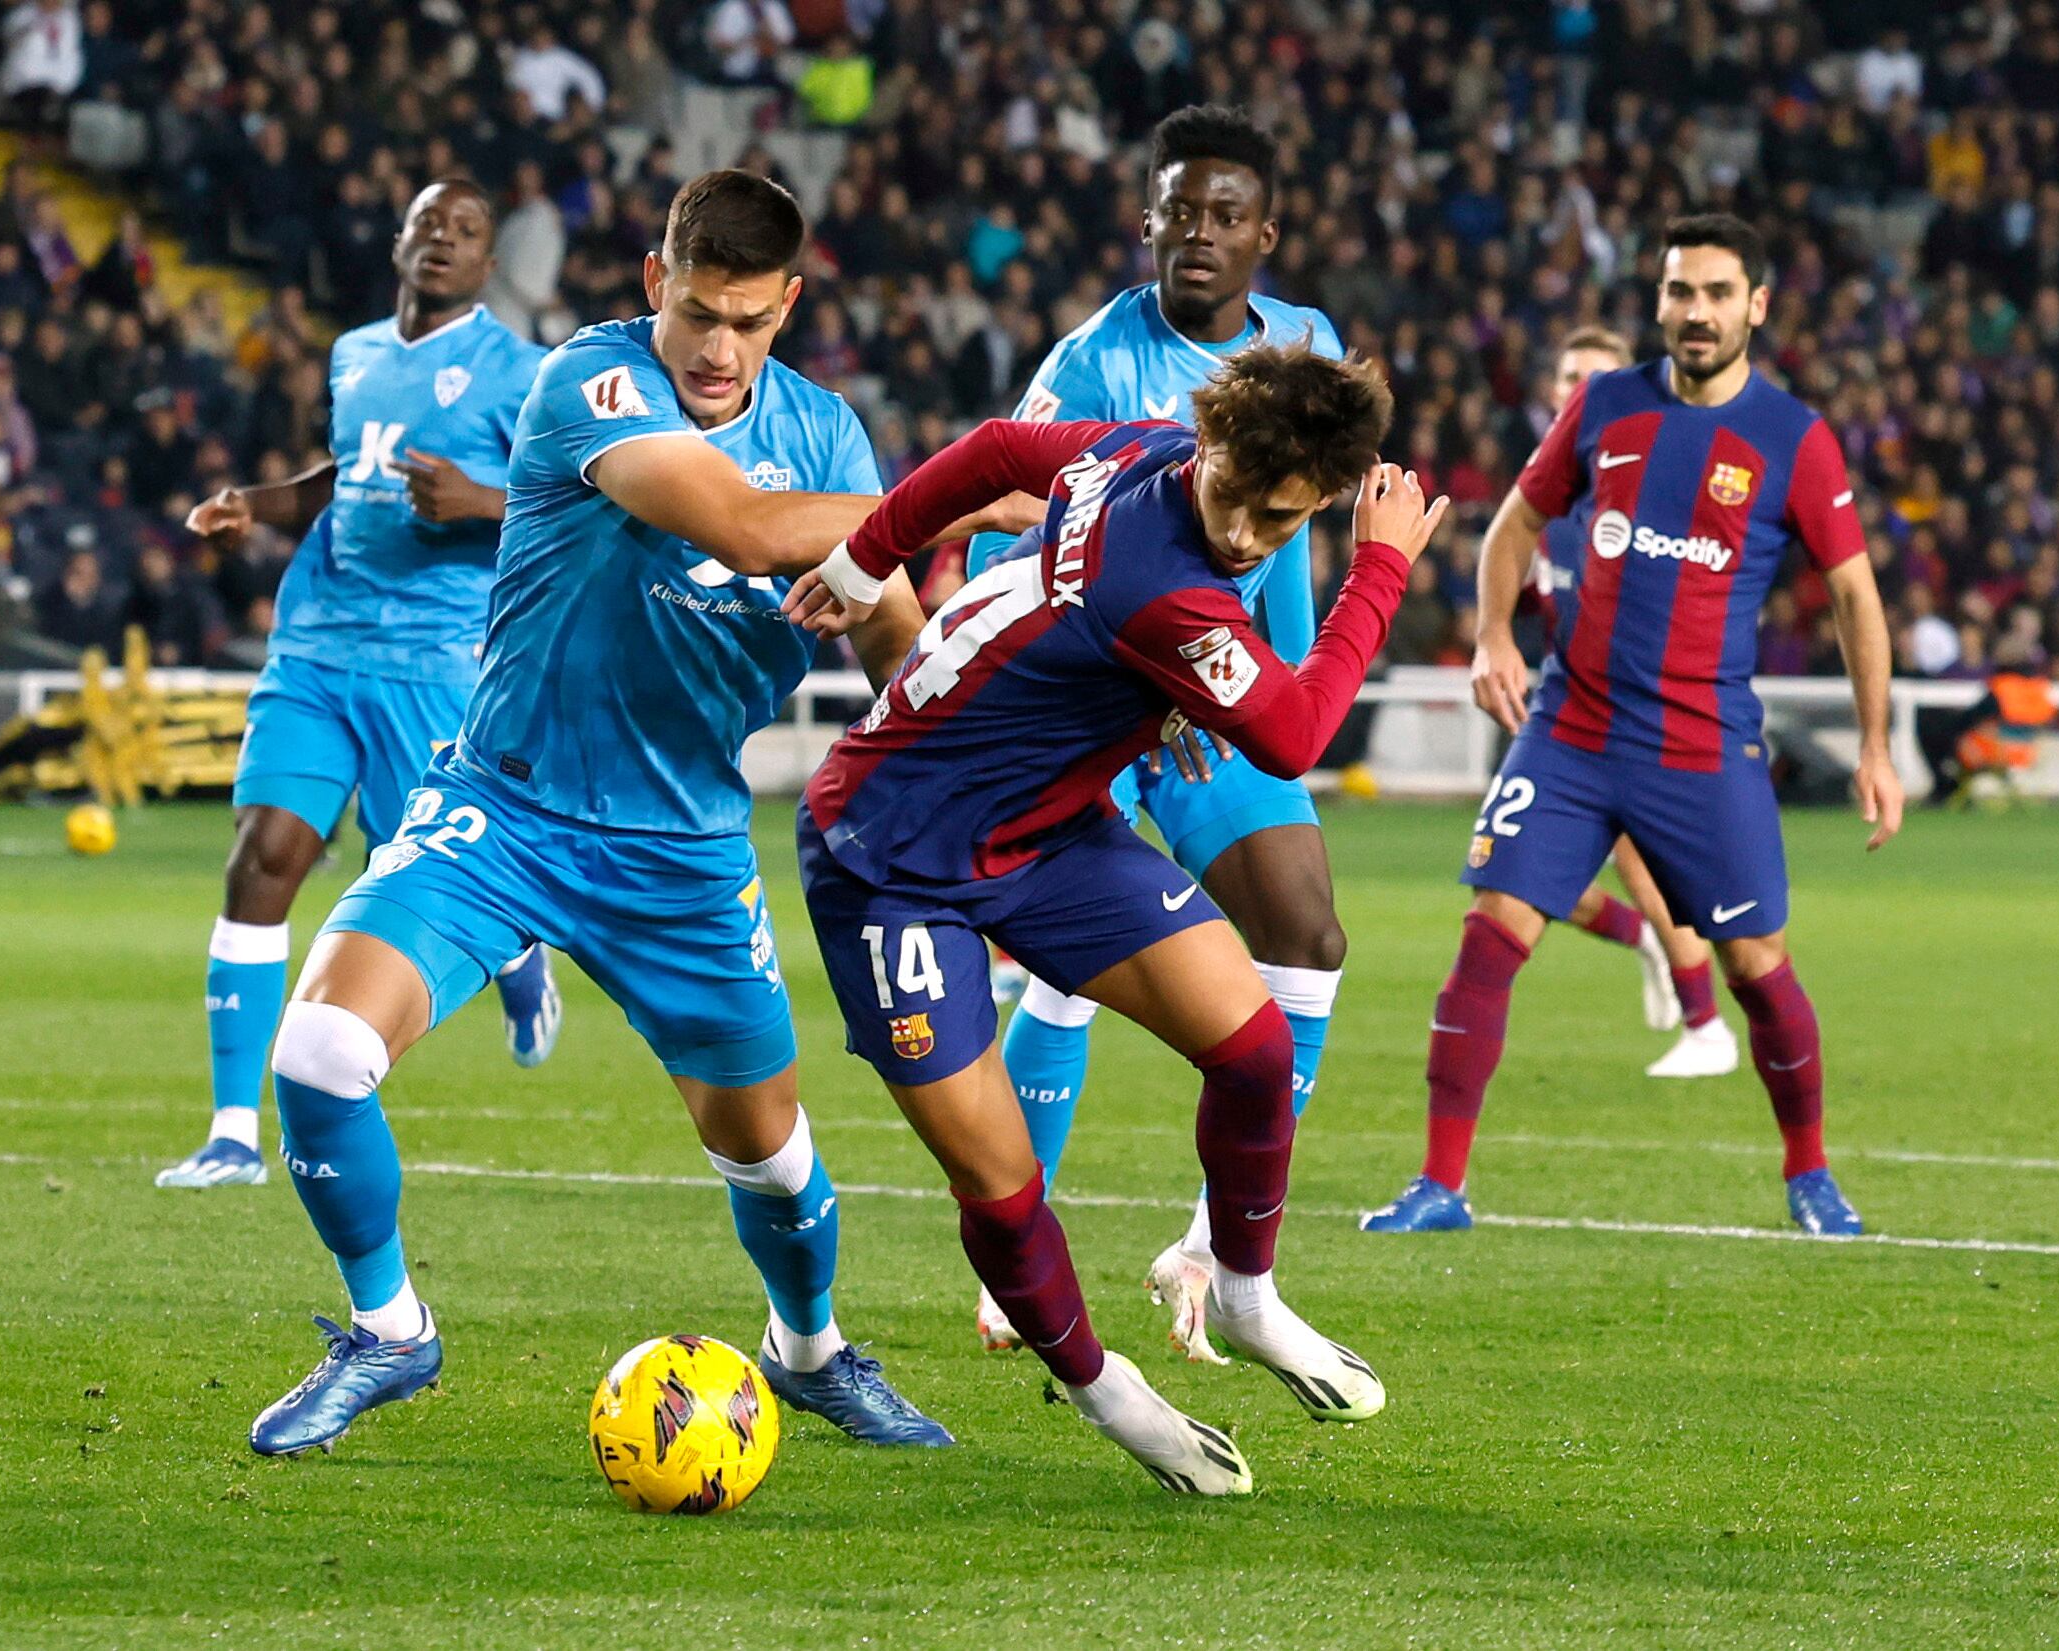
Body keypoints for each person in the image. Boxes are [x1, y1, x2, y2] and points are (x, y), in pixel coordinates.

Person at [245, 170, 1019, 1458]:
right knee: (321, 1055)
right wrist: (952, 496)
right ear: (656, 284)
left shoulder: (830, 439)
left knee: (769, 1158)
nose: (717, 350)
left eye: (749, 322)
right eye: (697, 313)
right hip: (505, 810)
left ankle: (811, 1353)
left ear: (789, 307)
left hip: (684, 852)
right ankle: (388, 1331)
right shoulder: (590, 383)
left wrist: (965, 788)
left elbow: (893, 632)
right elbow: (745, 525)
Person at [784, 343, 1447, 1493]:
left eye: (1283, 521)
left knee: (1250, 1046)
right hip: (890, 856)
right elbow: (1290, 736)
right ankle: (1108, 1390)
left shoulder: (1132, 453)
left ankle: (1241, 1294)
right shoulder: (1158, 573)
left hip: (1045, 831)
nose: (1246, 535)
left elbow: (992, 452)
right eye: (1236, 497)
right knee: (998, 1183)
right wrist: (1377, 570)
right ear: (1212, 445)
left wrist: (862, 560)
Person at [1360, 215, 1903, 1239]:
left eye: (1714, 292)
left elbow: (1852, 595)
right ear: (1656, 301)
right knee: (1488, 937)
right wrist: (1489, 638)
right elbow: (1514, 524)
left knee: (1755, 967)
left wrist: (1873, 747)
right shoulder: (1604, 405)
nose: (1694, 312)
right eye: (1677, 292)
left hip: (1701, 747)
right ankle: (1438, 1185)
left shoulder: (1791, 438)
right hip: (1569, 729)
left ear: (1756, 305)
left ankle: (1809, 1174)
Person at [969, 104, 1351, 1363]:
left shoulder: (1308, 344)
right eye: (1179, 212)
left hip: (1223, 709)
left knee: (1305, 930)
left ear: (1264, 235)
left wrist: (1274, 686)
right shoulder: (1089, 361)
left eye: (1225, 216)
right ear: (1146, 222)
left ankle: (1212, 1245)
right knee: (1068, 974)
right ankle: (1011, 1260)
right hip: (1103, 704)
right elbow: (1007, 522)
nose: (1199, 234)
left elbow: (1301, 531)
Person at [154, 181, 559, 1191]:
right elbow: (350, 476)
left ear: (488, 265)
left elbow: (570, 507)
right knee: (264, 855)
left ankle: (517, 960)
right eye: (428, 224)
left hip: (431, 657)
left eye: (465, 231)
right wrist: (259, 502)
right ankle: (232, 1133)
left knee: (416, 869)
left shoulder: (524, 374)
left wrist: (477, 501)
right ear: (398, 242)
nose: (442, 242)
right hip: (317, 643)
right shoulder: (355, 353)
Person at [1527, 326, 1736, 1079]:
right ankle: (1651, 946)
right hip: (1568, 717)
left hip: (1645, 717)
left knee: (1647, 871)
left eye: (1598, 376)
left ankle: (1708, 1023)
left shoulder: (1659, 495)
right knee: (1516, 874)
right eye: (1568, 374)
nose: (1581, 388)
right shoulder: (1544, 510)